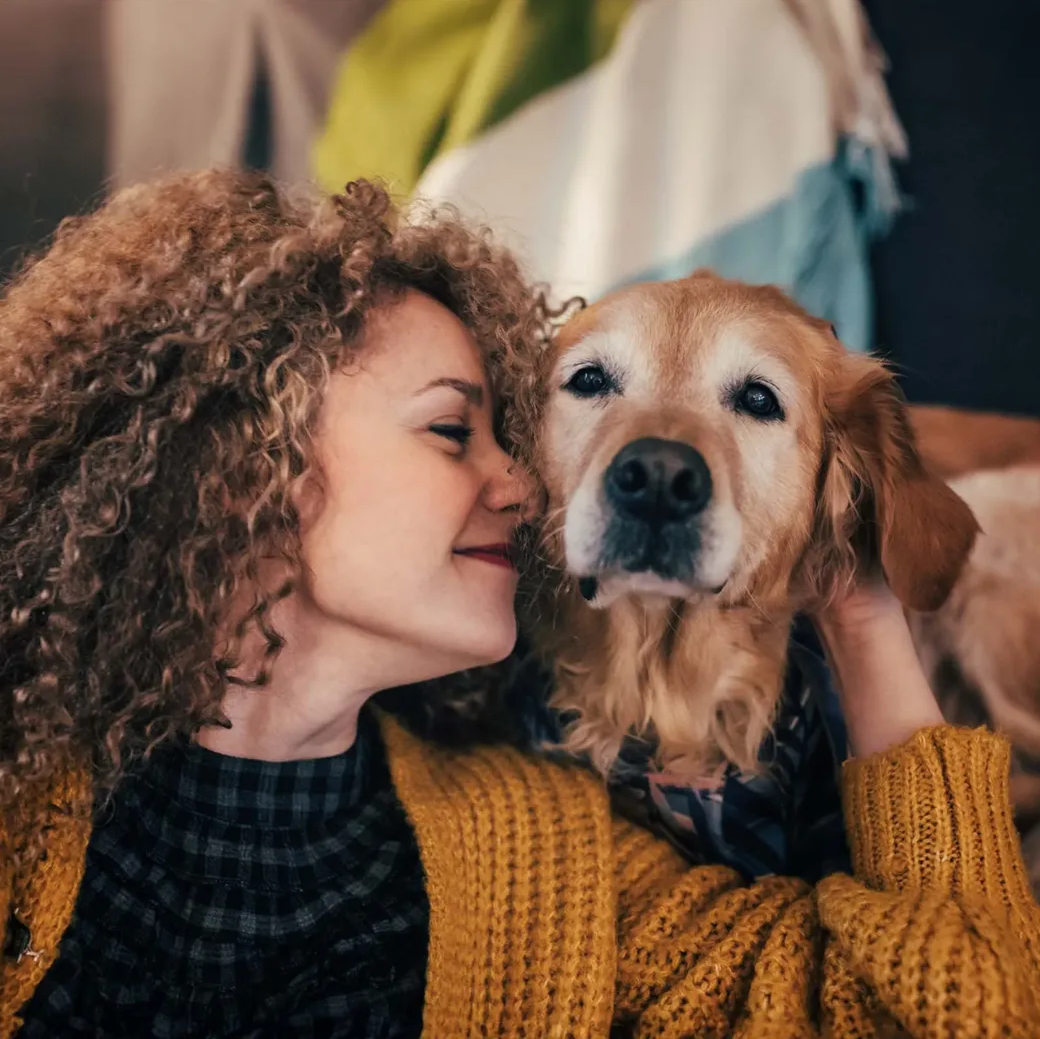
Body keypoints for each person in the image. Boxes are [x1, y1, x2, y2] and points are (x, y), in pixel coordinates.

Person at [0, 170, 1036, 1039]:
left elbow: (959, 1010)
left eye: (509, 432)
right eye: (454, 431)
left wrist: (857, 608)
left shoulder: (553, 864)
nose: (526, 485)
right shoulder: (28, 778)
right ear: (241, 471)